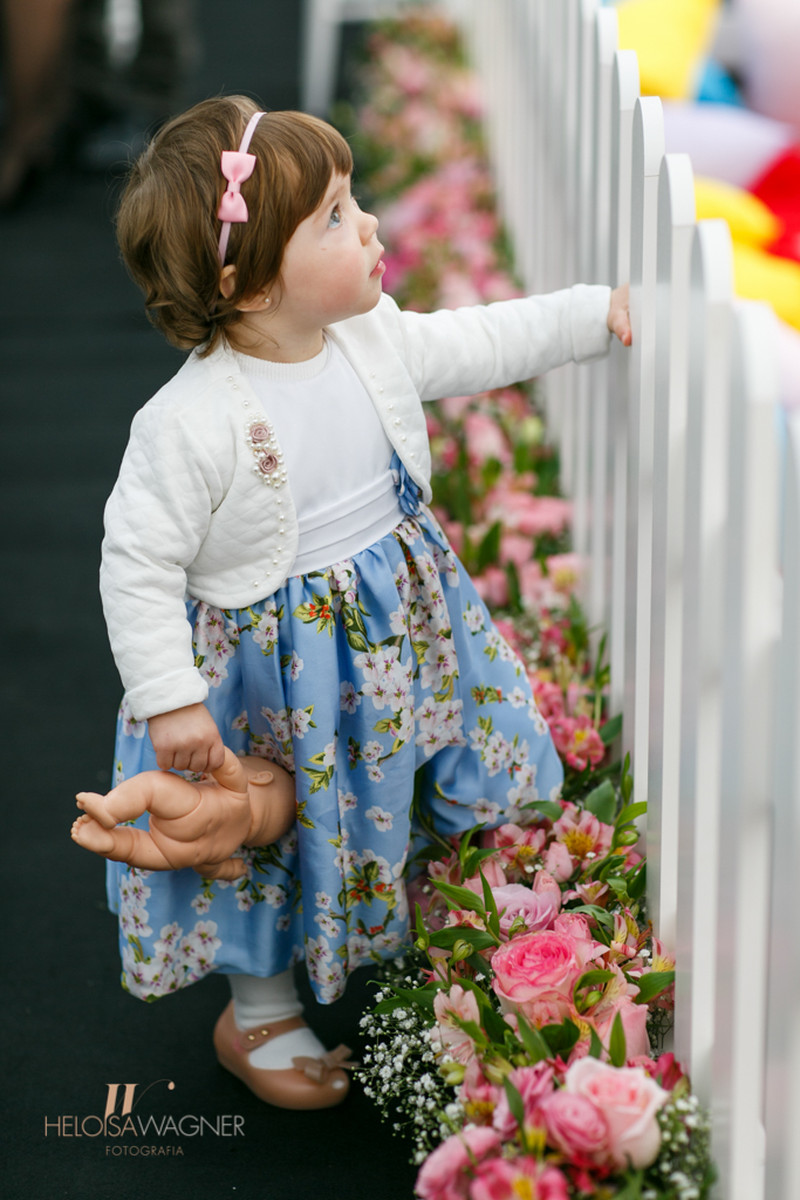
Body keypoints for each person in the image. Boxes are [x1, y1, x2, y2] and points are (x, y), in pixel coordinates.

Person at [97, 94, 632, 1111]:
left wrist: (584, 315)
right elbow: (136, 563)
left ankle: (450, 929)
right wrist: (171, 698)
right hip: (269, 680)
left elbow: (472, 342)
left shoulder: (367, 340)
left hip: (396, 639)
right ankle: (258, 1014)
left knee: (423, 777)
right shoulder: (189, 422)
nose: (371, 225)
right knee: (260, 839)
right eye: (335, 218)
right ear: (245, 281)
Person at [71, 747, 296, 880]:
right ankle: (111, 844)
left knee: (153, 786)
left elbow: (223, 761)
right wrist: (234, 869)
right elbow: (213, 870)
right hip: (189, 854)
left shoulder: (238, 792)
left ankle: (111, 809)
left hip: (195, 809)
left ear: (260, 777)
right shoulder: (224, 850)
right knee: (137, 849)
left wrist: (209, 750)